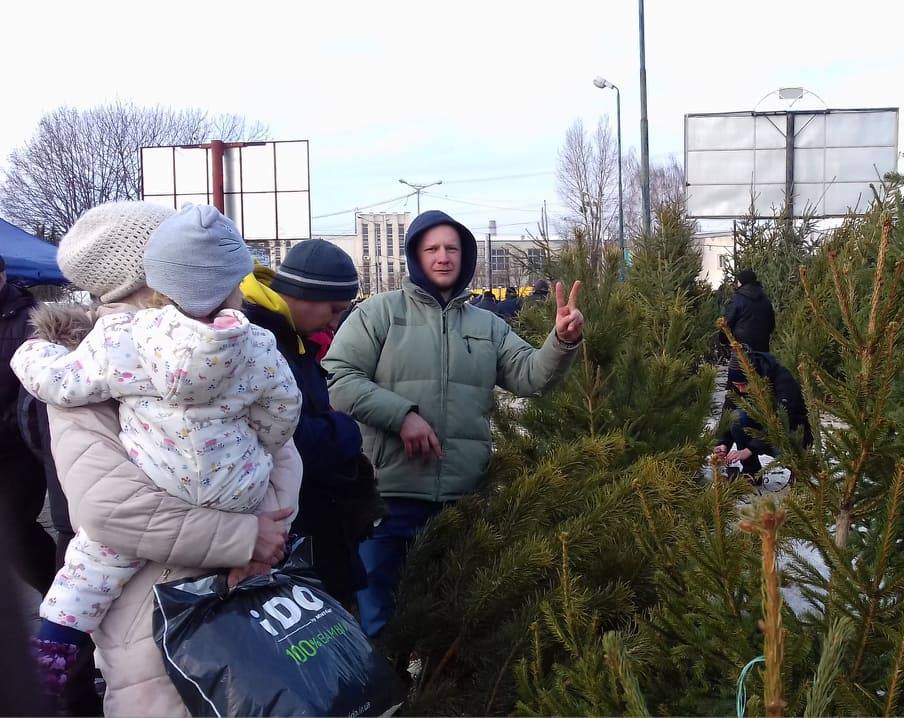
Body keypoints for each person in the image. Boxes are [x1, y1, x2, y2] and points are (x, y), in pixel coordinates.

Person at [12, 204, 303, 697]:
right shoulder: (252, 344)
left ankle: (55, 641)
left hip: (164, 609)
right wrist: (254, 536)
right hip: (185, 604)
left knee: (89, 567)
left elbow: (109, 517)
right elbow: (281, 444)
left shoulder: (105, 351)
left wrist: (32, 352)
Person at [324, 209, 584, 639]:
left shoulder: (486, 325)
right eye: (432, 249)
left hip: (462, 498)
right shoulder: (379, 314)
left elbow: (530, 376)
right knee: (380, 625)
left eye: (452, 248)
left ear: (465, 257)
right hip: (389, 499)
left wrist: (561, 341)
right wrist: (401, 415)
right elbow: (338, 379)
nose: (443, 257)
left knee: (455, 628)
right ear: (414, 255)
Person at [240, 239, 384, 610]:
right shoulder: (263, 340)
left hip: (314, 527)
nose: (335, 321)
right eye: (333, 309)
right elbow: (294, 436)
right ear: (303, 294)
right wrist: (347, 431)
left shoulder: (290, 336)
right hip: (296, 536)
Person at [0, 256, 57, 596]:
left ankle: (61, 605)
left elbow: (31, 395)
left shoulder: (29, 319)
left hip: (17, 449)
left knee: (14, 531)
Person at [714, 350, 811, 478]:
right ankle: (751, 472)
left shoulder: (782, 380)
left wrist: (750, 449)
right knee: (737, 418)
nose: (741, 390)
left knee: (790, 452)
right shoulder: (737, 384)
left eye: (744, 384)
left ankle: (800, 475)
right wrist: (723, 443)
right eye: (737, 385)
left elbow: (782, 420)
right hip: (760, 431)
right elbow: (729, 412)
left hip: (791, 434)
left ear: (753, 375)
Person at [724, 269, 776, 352]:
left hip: (741, 347)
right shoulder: (765, 299)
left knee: (737, 365)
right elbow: (771, 324)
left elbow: (728, 322)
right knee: (759, 364)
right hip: (762, 346)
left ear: (741, 282)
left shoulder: (737, 299)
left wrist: (723, 340)